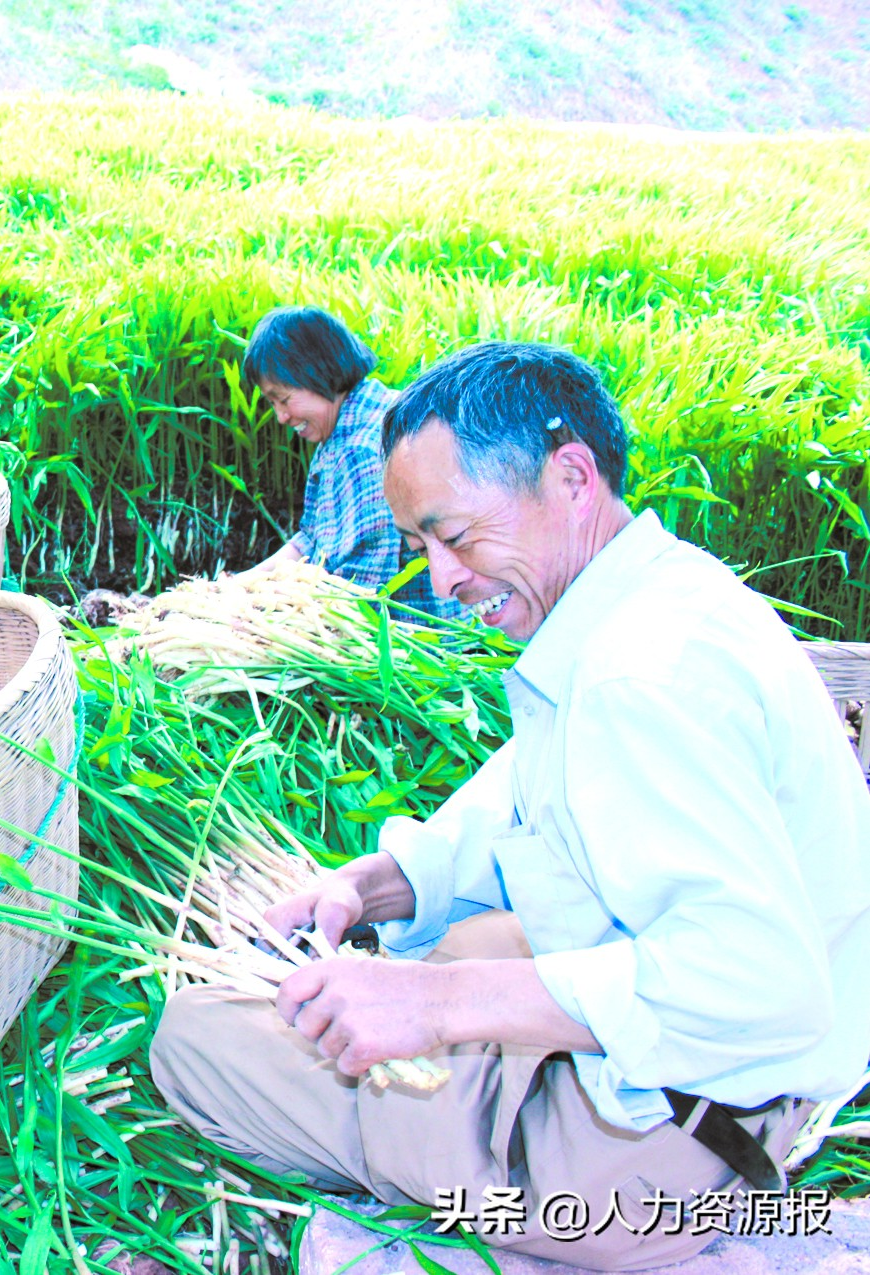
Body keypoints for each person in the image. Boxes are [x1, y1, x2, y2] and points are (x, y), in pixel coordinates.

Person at [149, 342, 870, 1270]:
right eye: (419, 547)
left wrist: (436, 1008)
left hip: (661, 1163)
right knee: (456, 940)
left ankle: (479, 1178)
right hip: (733, 1104)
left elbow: (758, 981)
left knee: (199, 1042)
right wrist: (372, 887)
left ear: (569, 476)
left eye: (453, 537)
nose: (441, 580)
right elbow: (533, 788)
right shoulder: (655, 596)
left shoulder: (635, 677)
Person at [241, 306, 465, 621]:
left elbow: (361, 586)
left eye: (284, 399)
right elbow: (311, 539)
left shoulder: (363, 448)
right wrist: (236, 589)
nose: (281, 417)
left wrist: (259, 616)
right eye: (272, 403)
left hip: (416, 643)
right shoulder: (346, 426)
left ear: (316, 373)